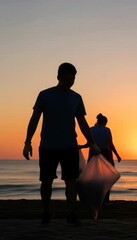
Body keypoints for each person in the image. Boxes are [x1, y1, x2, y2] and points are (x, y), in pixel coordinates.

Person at [23, 62, 100, 225]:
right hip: (48, 147)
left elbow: (82, 122)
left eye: (72, 80)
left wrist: (92, 142)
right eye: (66, 79)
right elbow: (34, 119)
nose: (69, 82)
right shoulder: (44, 95)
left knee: (71, 182)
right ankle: (46, 211)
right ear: (58, 77)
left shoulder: (76, 98)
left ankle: (71, 214)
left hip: (70, 147)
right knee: (46, 181)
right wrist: (27, 142)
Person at [80, 113, 122, 202]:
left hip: (93, 153)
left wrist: (81, 147)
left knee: (93, 176)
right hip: (105, 153)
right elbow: (110, 144)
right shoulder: (107, 130)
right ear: (105, 122)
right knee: (107, 176)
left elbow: (89, 143)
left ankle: (93, 197)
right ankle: (106, 198)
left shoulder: (91, 129)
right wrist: (117, 155)